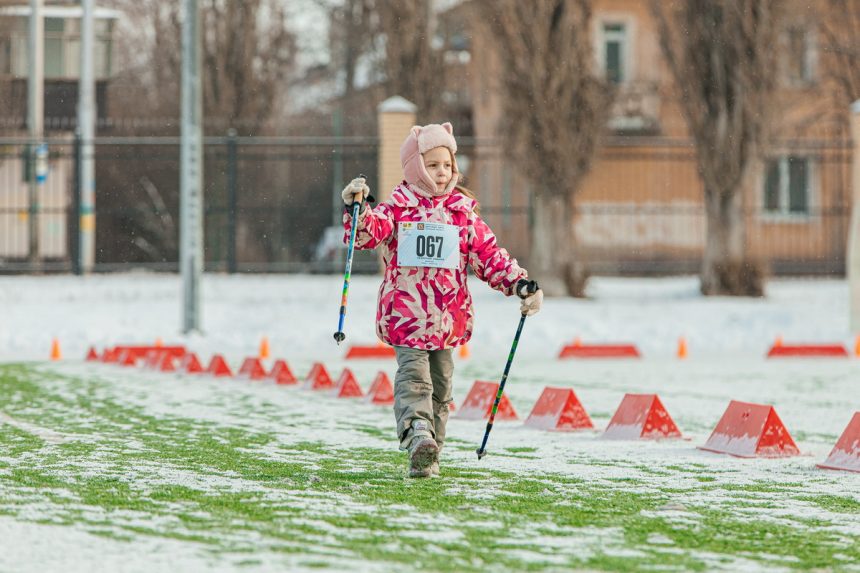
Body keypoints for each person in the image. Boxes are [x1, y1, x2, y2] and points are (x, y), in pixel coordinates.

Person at [341, 122, 543, 478]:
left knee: (441, 388)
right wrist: (358, 212)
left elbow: (488, 255)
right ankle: (417, 433)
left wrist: (520, 284)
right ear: (415, 166)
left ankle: (430, 452)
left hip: (447, 320)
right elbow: (370, 233)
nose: (441, 172)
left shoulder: (462, 213)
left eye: (447, 165)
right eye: (432, 165)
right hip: (406, 317)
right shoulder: (399, 207)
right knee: (414, 379)